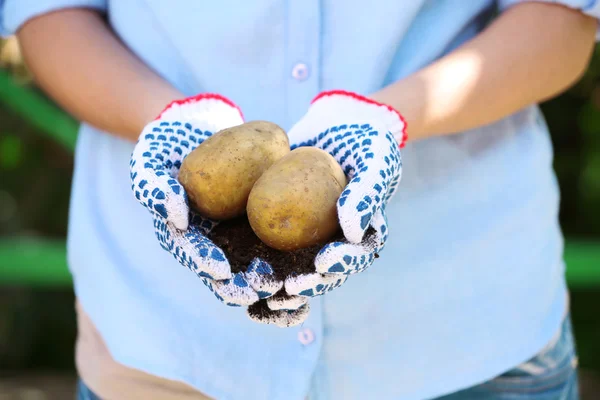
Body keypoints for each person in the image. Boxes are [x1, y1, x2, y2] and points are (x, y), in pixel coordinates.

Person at [1, 1, 597, 399]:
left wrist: (390, 119)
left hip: (462, 327)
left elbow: (565, 19)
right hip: (165, 347)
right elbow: (47, 16)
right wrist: (169, 120)